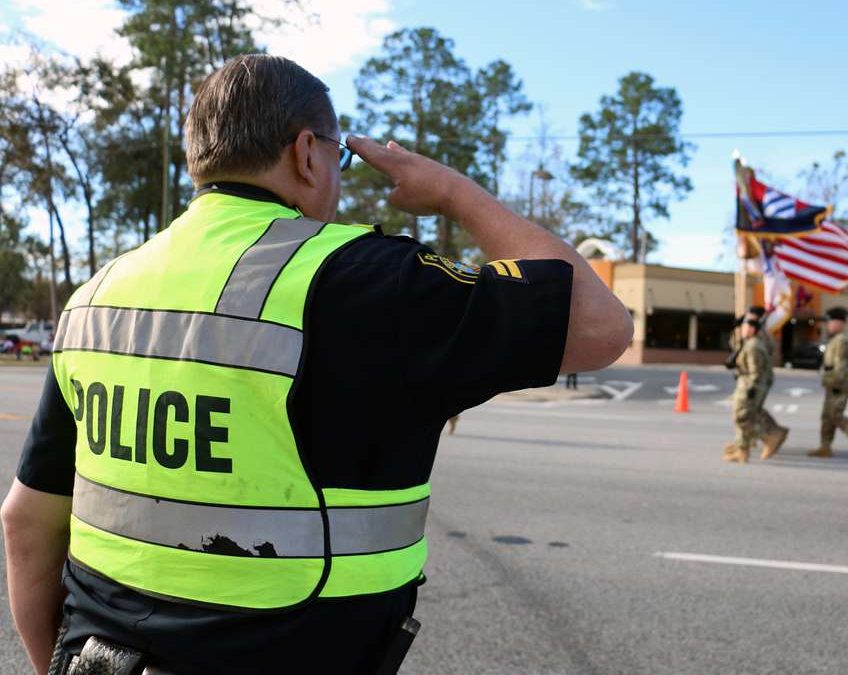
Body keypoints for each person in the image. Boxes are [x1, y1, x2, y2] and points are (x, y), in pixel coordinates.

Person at [1, 54, 632, 675]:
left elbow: (25, 524)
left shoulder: (99, 294)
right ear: (307, 151)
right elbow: (601, 327)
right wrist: (452, 193)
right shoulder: (362, 279)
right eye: (340, 156)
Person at [808, 306, 848, 460]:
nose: (828, 325)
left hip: (839, 384)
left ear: (839, 323)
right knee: (827, 416)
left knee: (835, 415)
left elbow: (841, 366)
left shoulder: (842, 341)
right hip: (832, 383)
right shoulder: (835, 340)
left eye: (830, 322)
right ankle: (825, 447)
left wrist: (836, 384)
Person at [723, 311, 772, 464]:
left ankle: (768, 437)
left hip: (751, 384)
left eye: (745, 324)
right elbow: (736, 348)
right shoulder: (750, 341)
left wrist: (751, 389)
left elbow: (756, 371)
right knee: (742, 415)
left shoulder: (756, 343)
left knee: (744, 416)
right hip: (747, 382)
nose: (742, 327)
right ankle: (742, 447)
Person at [746, 305, 788, 459]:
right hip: (760, 376)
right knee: (754, 409)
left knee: (750, 410)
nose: (747, 320)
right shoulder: (761, 332)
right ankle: (753, 438)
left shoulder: (761, 334)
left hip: (759, 376)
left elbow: (756, 354)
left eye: (750, 317)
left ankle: (771, 434)